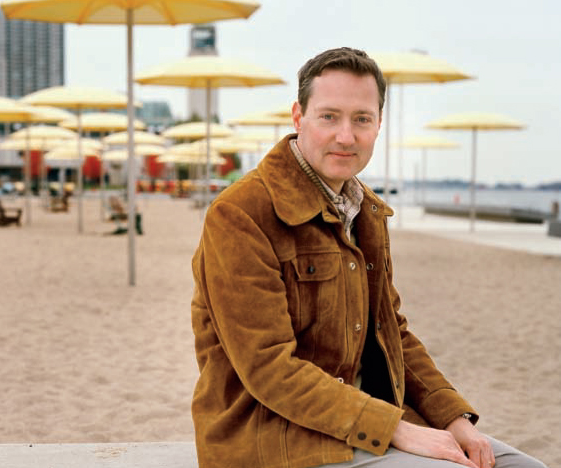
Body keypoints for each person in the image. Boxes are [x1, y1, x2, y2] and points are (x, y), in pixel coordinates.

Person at [190, 47, 548, 468]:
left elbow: (392, 331)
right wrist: (396, 428)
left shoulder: (365, 210)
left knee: (524, 466)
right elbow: (268, 368)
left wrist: (452, 418)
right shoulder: (241, 213)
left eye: (361, 119)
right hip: (272, 434)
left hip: (368, 420)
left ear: (379, 124)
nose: (346, 135)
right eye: (329, 116)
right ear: (298, 117)